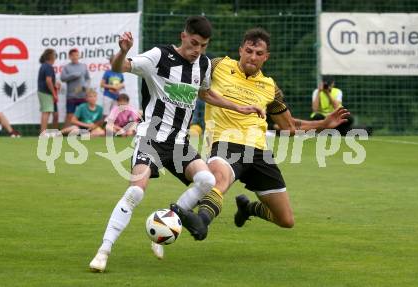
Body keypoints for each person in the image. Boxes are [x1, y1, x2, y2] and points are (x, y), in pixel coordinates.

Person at [150, 27, 350, 258]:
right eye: (249, 51)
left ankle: (247, 209)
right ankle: (201, 221)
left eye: (258, 53)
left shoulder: (270, 87)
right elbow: (188, 73)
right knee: (218, 179)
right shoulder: (217, 65)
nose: (252, 57)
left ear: (266, 57)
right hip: (225, 142)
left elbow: (288, 126)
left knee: (285, 220)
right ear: (240, 50)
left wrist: (324, 123)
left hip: (259, 152)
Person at [89, 16, 264, 271]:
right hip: (151, 137)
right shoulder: (159, 56)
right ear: (183, 36)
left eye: (203, 46)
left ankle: (166, 218)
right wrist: (123, 51)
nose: (197, 51)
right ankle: (103, 251)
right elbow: (120, 67)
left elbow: (204, 93)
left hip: (179, 143)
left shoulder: (203, 64)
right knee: (136, 192)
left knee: (207, 181)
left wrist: (239, 106)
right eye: (194, 43)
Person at [61, 48, 90, 128]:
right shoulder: (66, 67)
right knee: (70, 115)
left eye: (76, 55)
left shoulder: (83, 66)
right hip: (71, 95)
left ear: (79, 56)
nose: (75, 57)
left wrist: (86, 86)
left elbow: (87, 78)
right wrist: (73, 75)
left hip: (82, 95)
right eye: (73, 55)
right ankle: (64, 132)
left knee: (83, 114)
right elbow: (62, 78)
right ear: (69, 57)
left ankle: (83, 132)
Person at [37, 48, 59, 134]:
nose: (55, 57)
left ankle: (48, 132)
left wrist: (55, 85)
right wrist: (54, 93)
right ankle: (43, 133)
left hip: (43, 91)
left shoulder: (44, 66)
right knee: (46, 112)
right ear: (51, 56)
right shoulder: (48, 67)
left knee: (49, 112)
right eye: (54, 55)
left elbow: (48, 81)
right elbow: (48, 80)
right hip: (46, 92)